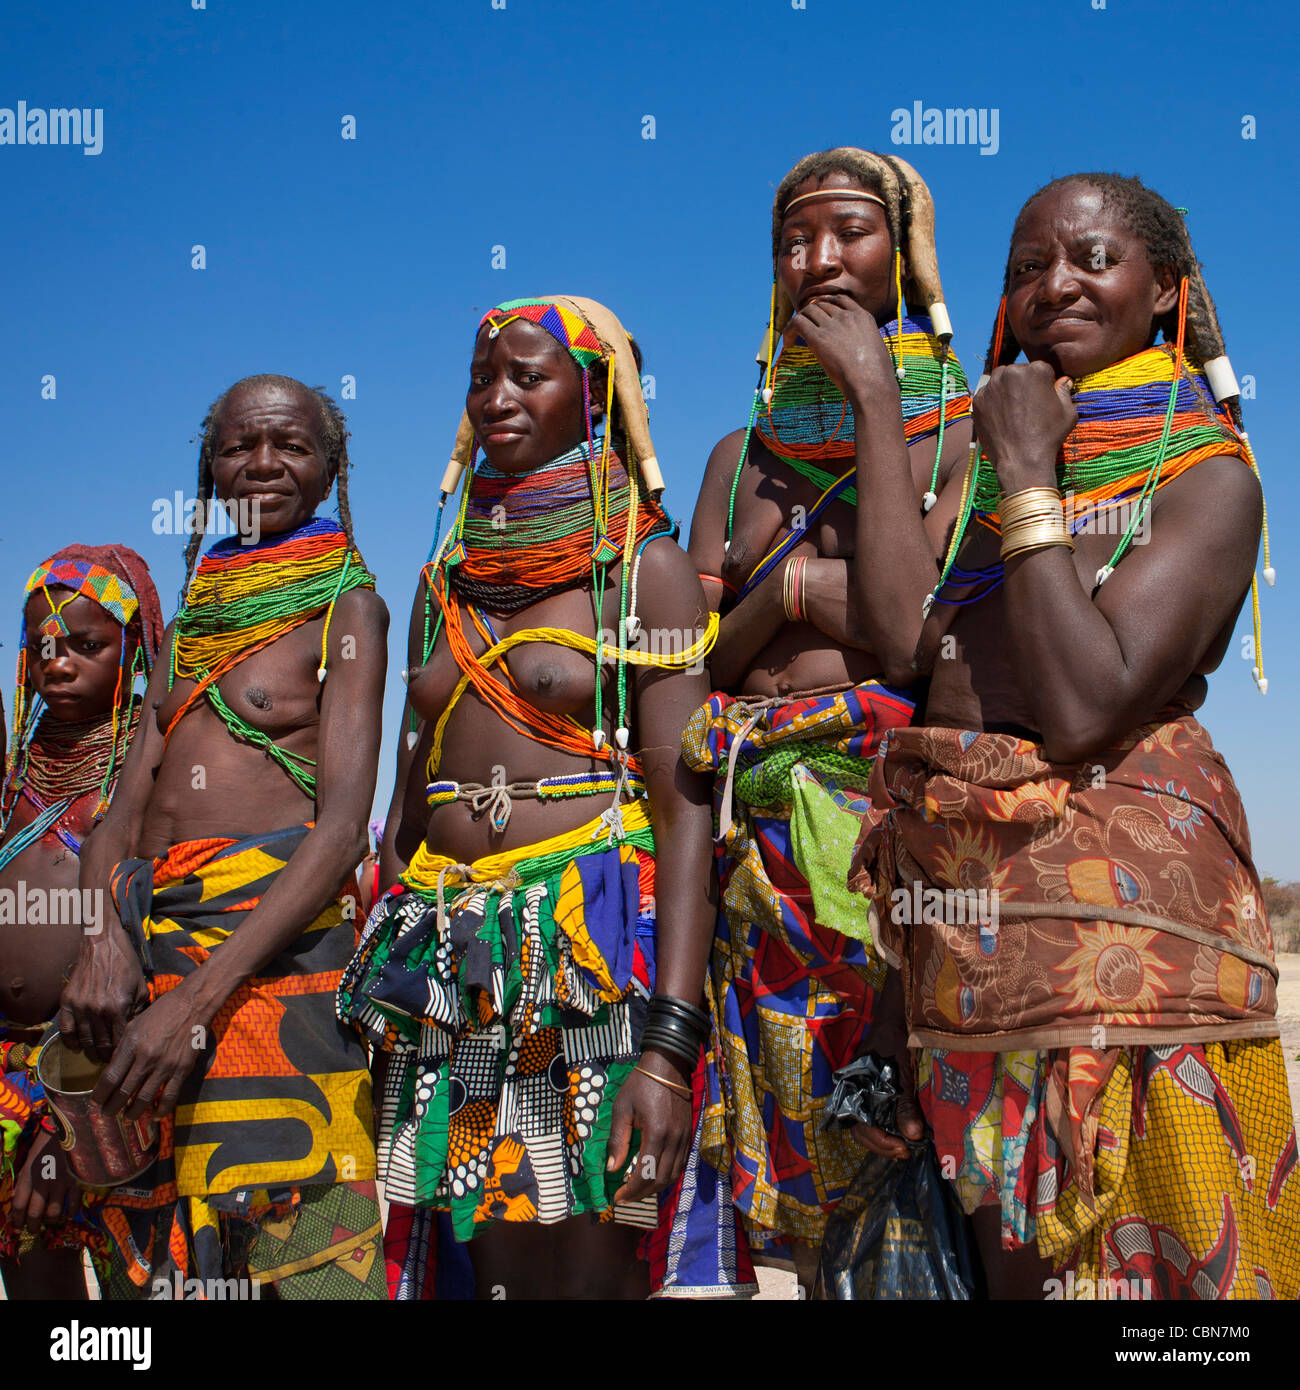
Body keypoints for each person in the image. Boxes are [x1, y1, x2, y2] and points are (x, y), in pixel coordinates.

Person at [850, 173, 1299, 1299]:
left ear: (1165, 294)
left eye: (1092, 260)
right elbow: (902, 641)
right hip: (966, 916)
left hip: (1124, 916)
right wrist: (875, 401)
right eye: (1024, 268)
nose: (1053, 285)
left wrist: (1027, 474)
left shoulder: (1206, 476)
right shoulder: (986, 451)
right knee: (1010, 1256)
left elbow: (1087, 703)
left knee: (1129, 1262)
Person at [341, 296, 722, 1299]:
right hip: (451, 946)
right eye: (482, 377)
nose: (496, 395)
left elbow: (687, 811)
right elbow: (407, 792)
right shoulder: (444, 582)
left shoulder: (649, 570)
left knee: (597, 1241)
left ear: (592, 394)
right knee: (490, 1243)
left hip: (590, 938)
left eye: (526, 374)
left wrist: (670, 1044)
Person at [683, 148, 972, 1286]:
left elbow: (915, 637)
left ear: (906, 251)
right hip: (751, 848)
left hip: (889, 843)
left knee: (901, 1139)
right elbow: (690, 659)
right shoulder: (736, 456)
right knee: (787, 1148)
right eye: (792, 243)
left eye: (846, 232)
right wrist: (798, 594)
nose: (815, 261)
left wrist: (870, 393)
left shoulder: (961, 432)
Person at [60, 375, 390, 1300]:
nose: (264, 463)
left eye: (290, 445)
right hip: (145, 958)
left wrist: (195, 1003)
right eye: (240, 445)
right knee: (150, 1258)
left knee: (307, 1257)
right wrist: (102, 942)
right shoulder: (196, 614)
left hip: (274, 969)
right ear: (209, 466)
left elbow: (339, 837)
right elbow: (121, 811)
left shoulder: (348, 611)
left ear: (331, 468)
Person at [1, 545, 163, 1298]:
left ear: (134, 651)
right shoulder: (14, 776)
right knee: (35, 1278)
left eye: (86, 645)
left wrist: (63, 1124)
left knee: (136, 1283)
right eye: (43, 647)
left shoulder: (148, 780)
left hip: (101, 1078)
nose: (58, 662)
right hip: (8, 1077)